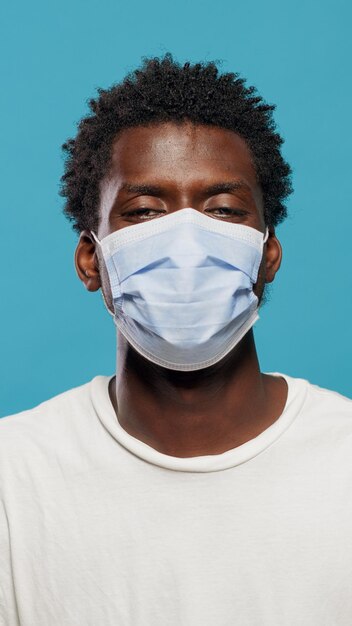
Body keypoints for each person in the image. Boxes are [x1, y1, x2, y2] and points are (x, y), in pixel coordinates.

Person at [0, 54, 351, 626]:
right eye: (143, 211)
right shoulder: (13, 478)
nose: (186, 238)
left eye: (223, 209)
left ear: (267, 255)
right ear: (92, 260)